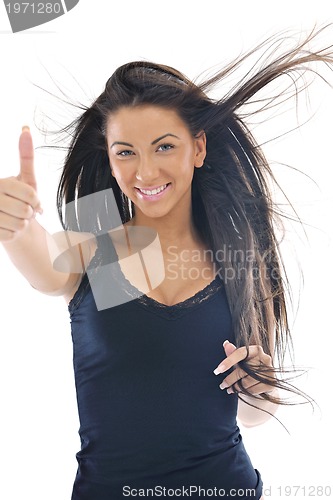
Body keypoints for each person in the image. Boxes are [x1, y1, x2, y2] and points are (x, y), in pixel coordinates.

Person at [1, 26, 332, 500]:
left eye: (164, 146)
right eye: (125, 153)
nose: (146, 172)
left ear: (198, 148)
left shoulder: (236, 255)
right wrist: (13, 225)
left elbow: (252, 415)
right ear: (110, 162)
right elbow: (41, 263)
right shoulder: (97, 247)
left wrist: (259, 390)